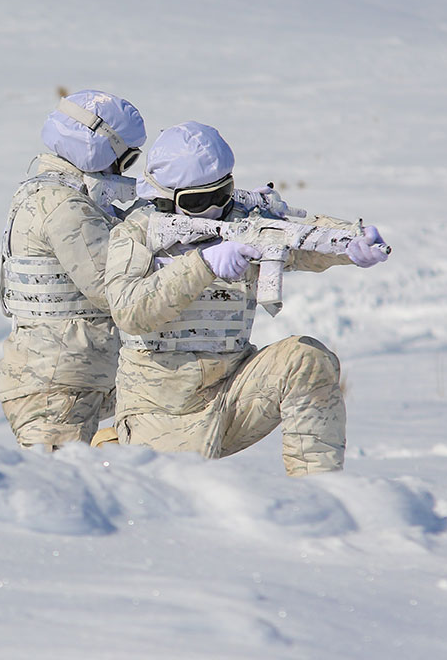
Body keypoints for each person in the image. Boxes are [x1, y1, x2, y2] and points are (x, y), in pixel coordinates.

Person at [103, 121, 389, 475]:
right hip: (164, 409)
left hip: (235, 392)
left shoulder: (244, 222)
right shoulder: (136, 234)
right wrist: (203, 264)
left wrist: (349, 244)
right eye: (199, 201)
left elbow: (298, 238)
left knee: (307, 358)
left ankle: (319, 496)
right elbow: (131, 312)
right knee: (183, 507)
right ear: (164, 196)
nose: (214, 209)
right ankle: (108, 451)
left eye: (222, 194)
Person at [0, 90, 148, 450]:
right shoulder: (67, 208)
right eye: (127, 159)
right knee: (51, 493)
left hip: (61, 376)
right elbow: (113, 291)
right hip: (58, 384)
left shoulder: (47, 192)